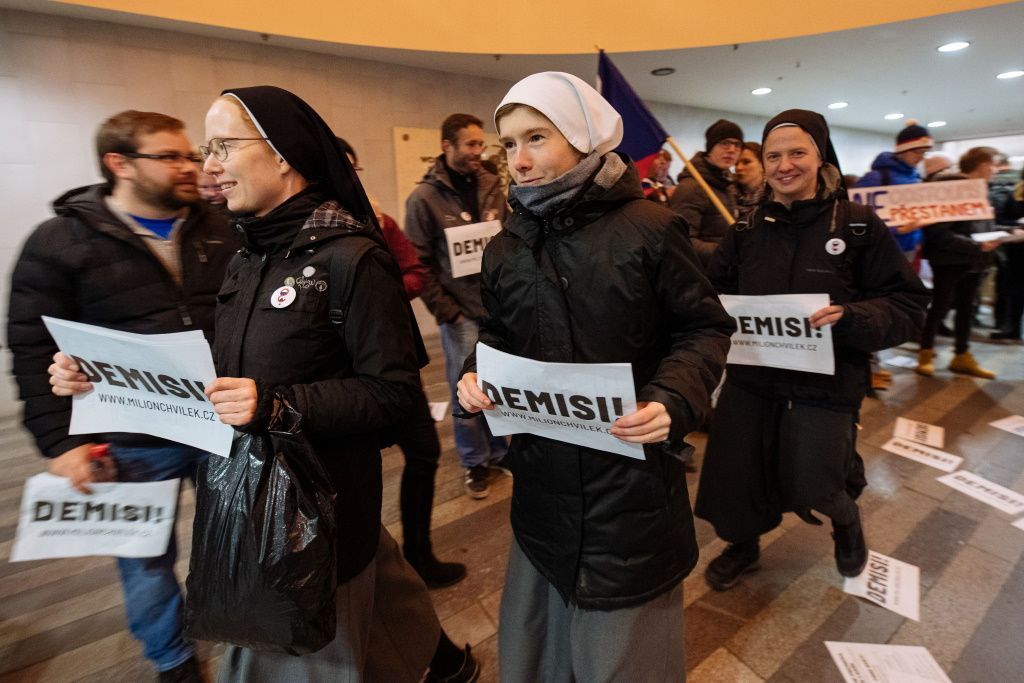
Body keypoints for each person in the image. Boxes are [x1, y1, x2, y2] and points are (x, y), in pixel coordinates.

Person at [53, 87, 478, 682]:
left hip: (313, 509)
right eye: (208, 149)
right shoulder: (248, 254)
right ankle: (445, 665)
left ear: (283, 154)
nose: (209, 166)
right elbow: (216, 370)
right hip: (259, 497)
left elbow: (393, 396)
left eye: (224, 146)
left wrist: (277, 405)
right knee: (371, 594)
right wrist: (99, 377)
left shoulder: (352, 259)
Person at [456, 72, 735, 681]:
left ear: (582, 138)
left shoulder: (651, 229)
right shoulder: (507, 245)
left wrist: (673, 397)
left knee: (623, 656)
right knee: (543, 648)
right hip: (542, 487)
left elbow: (705, 329)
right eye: (508, 144)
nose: (519, 160)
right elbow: (498, 335)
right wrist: (477, 374)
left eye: (536, 138)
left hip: (627, 491)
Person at [8, 110, 236, 681]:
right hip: (132, 439)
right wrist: (61, 442)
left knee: (236, 542)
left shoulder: (222, 226)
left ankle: (244, 633)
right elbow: (32, 347)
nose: (191, 166)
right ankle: (174, 660)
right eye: (172, 157)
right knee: (144, 560)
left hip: (221, 423)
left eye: (191, 154)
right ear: (120, 164)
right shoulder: (58, 241)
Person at [695, 109, 929, 592]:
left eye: (797, 152)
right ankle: (743, 544)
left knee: (816, 479)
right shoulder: (745, 228)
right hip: (752, 379)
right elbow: (711, 293)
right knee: (739, 476)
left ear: (820, 157)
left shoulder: (859, 225)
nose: (784, 165)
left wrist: (853, 317)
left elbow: (908, 304)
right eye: (774, 155)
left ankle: (845, 520)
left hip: (826, 383)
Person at [337, 137, 467, 588]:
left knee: (425, 453)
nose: (348, 178)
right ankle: (366, 571)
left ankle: (419, 554)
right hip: (339, 374)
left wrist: (380, 287)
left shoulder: (380, 222)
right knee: (355, 474)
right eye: (339, 168)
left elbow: (415, 271)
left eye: (354, 168)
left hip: (395, 359)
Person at [404, 114, 509, 500]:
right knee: (464, 388)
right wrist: (448, 312)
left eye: (481, 144)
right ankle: (474, 460)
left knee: (496, 382)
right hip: (460, 313)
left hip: (498, 307)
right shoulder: (423, 199)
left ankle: (499, 450)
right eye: (470, 145)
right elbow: (419, 263)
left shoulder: (492, 184)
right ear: (447, 146)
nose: (478, 152)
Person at [916, 147, 1002, 379]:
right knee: (941, 305)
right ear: (983, 165)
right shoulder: (952, 189)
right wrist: (976, 245)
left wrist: (1000, 234)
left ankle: (961, 354)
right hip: (949, 260)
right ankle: (926, 352)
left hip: (974, 260)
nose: (995, 170)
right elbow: (938, 232)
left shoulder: (980, 191)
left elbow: (980, 227)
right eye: (992, 164)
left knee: (966, 308)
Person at [667, 118, 743, 270]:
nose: (732, 149)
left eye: (737, 144)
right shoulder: (692, 186)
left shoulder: (727, 185)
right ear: (710, 147)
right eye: (724, 143)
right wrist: (728, 251)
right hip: (700, 278)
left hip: (721, 273)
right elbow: (681, 242)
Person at [992, 167, 1024, 341]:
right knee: (1012, 290)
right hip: (1016, 251)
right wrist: (1018, 224)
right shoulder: (1014, 196)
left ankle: (1012, 327)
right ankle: (1010, 327)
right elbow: (1001, 220)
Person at [735, 141, 765, 211]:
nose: (738, 167)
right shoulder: (727, 196)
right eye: (736, 163)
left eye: (746, 162)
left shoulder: (778, 195)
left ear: (762, 165)